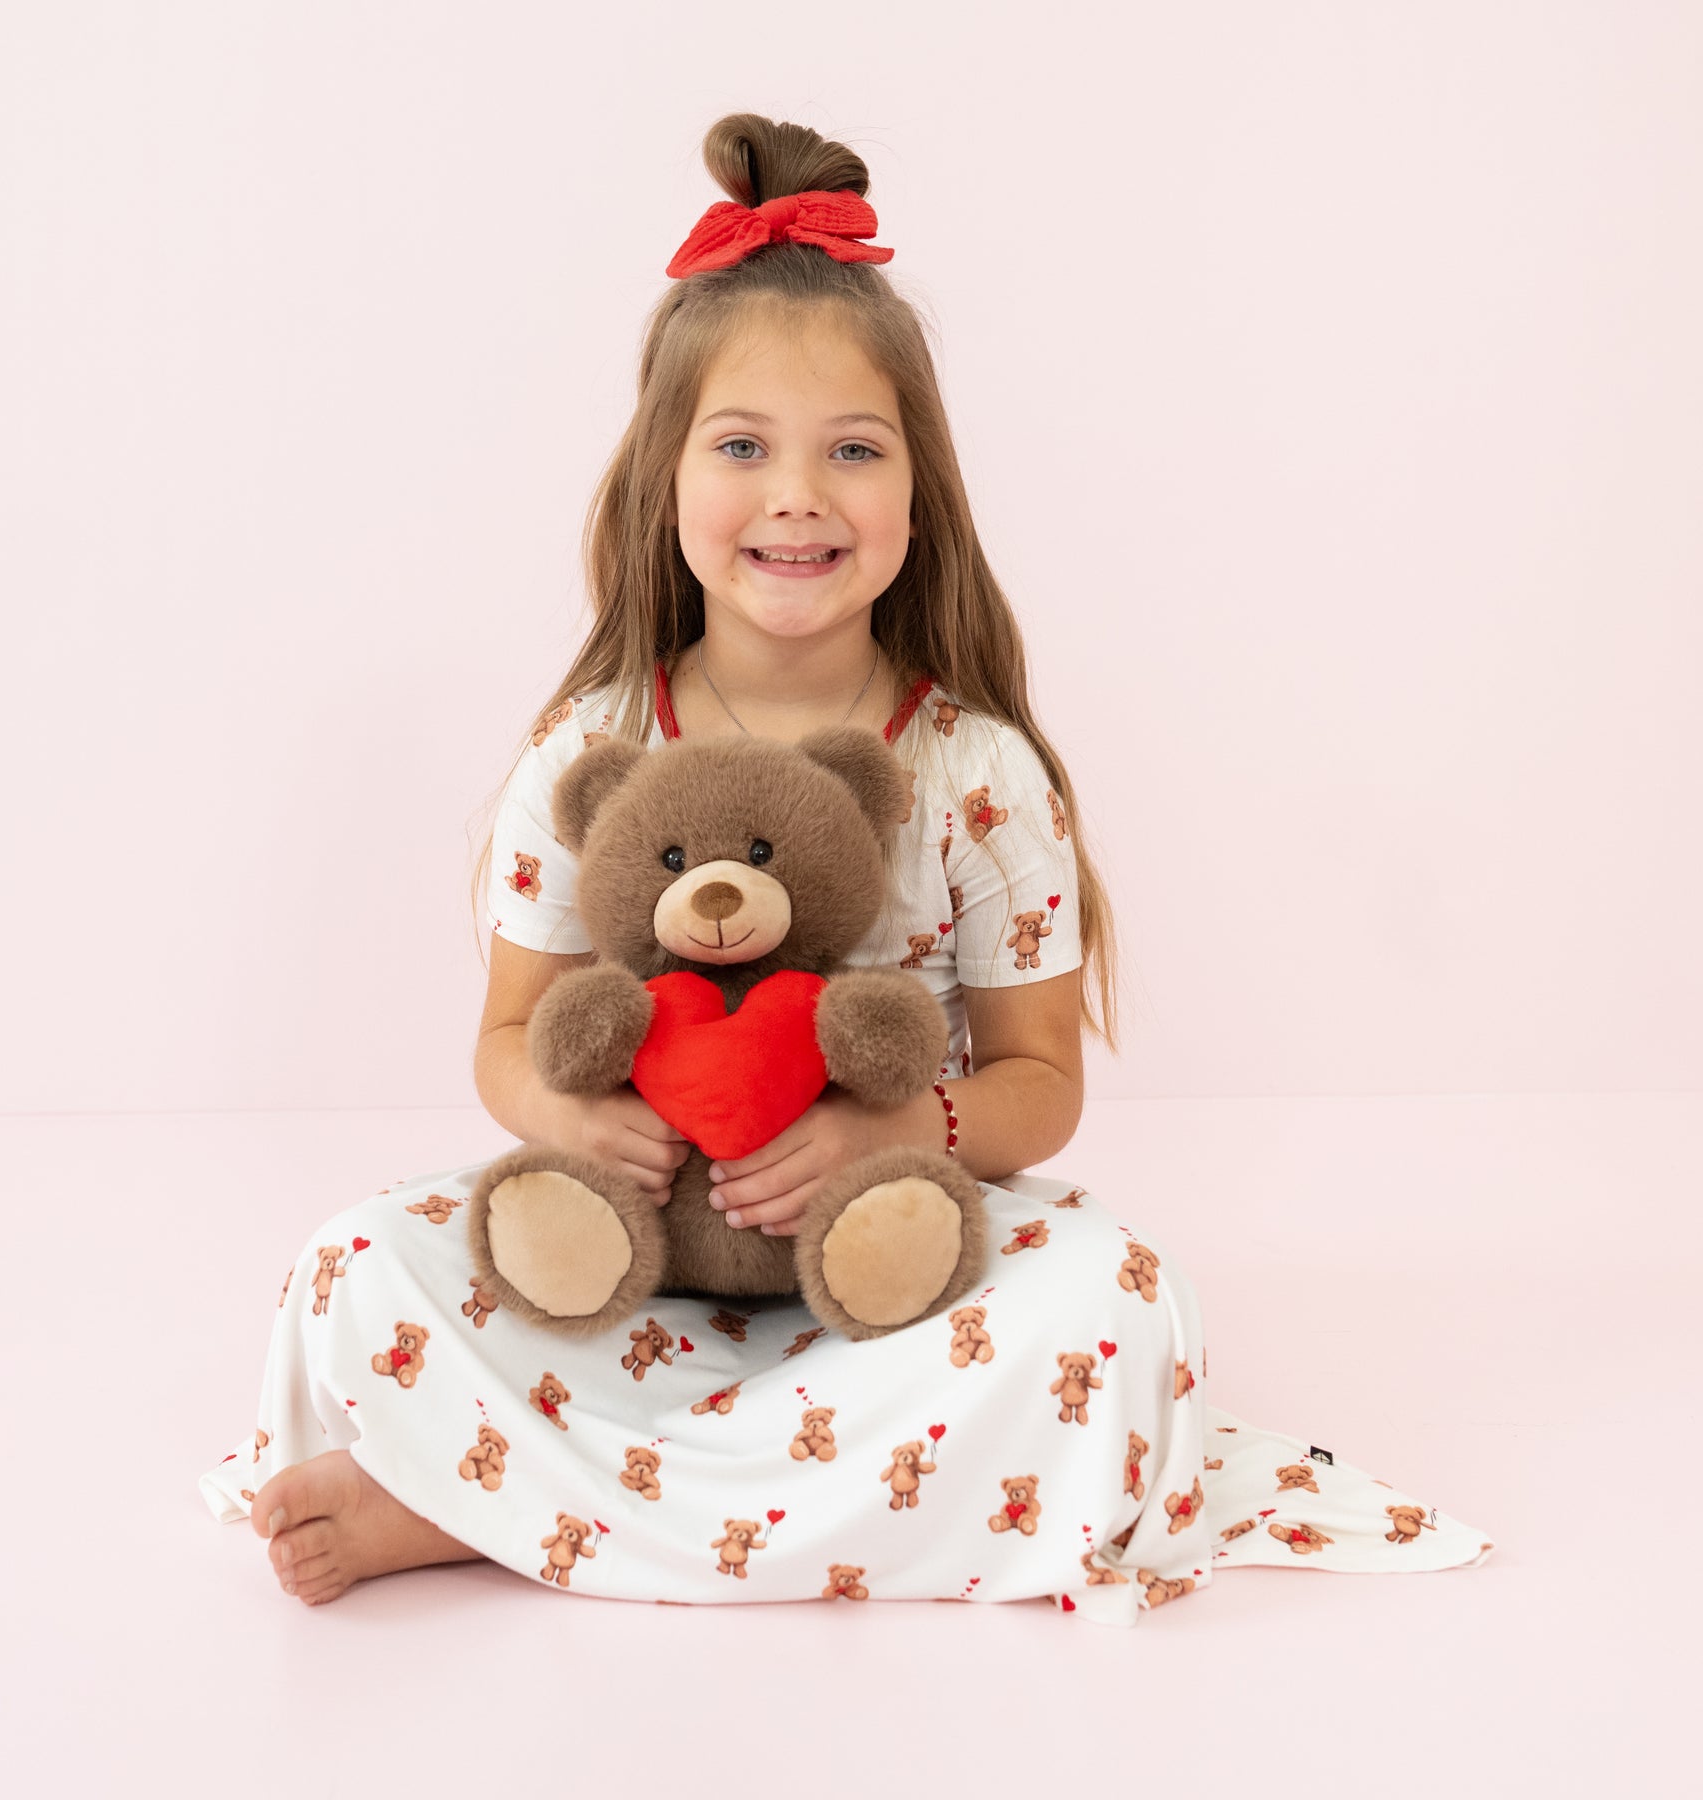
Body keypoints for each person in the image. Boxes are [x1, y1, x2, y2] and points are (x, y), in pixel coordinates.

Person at [200, 113, 1493, 1620]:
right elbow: (508, 1037)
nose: (798, 495)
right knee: (355, 1263)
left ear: (919, 493)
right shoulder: (587, 749)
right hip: (625, 1255)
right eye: (743, 446)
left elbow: (1039, 1084)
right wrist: (572, 1115)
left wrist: (902, 1128)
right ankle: (654, 1492)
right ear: (665, 480)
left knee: (1119, 1302)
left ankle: (481, 1503)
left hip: (887, 1268)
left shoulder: (977, 773)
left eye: (854, 451)